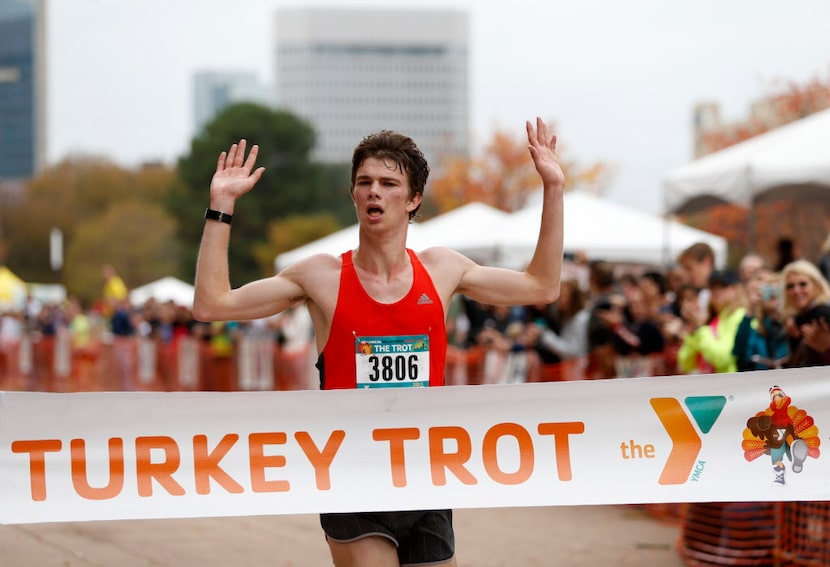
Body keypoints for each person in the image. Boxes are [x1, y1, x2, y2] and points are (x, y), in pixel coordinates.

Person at [192, 118, 565, 567]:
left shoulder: (443, 270)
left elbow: (541, 286)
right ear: (352, 194)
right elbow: (212, 304)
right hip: (351, 471)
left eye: (389, 183)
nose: (374, 191)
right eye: (364, 182)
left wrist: (554, 188)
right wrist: (221, 206)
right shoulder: (321, 276)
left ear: (413, 199)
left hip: (425, 472)